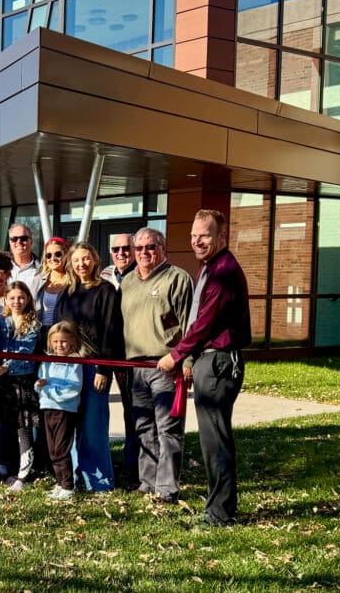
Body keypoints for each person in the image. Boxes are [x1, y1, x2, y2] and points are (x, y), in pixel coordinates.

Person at [158, 209, 251, 526]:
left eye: (205, 235)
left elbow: (206, 322)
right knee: (213, 440)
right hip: (208, 360)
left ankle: (220, 514)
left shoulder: (224, 272)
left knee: (215, 441)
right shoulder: (211, 267)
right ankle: (219, 509)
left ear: (222, 236)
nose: (197, 241)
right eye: (194, 235)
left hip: (220, 361)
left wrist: (177, 354)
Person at [121, 227, 194, 502]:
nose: (143, 253)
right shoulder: (128, 282)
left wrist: (186, 361)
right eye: (138, 248)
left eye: (149, 247)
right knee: (143, 427)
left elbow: (190, 325)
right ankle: (147, 481)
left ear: (162, 247)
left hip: (166, 365)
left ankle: (167, 488)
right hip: (135, 368)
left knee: (168, 429)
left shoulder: (177, 278)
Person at [55, 242, 123, 492]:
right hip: (69, 366)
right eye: (76, 260)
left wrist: (104, 368)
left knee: (93, 425)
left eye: (86, 259)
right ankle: (72, 477)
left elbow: (111, 330)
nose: (81, 264)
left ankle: (99, 481)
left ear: (94, 260)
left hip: (95, 365)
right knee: (69, 423)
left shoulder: (106, 290)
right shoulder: (68, 291)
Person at [0, 281, 44, 492]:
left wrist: (4, 367)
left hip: (24, 382)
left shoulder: (35, 326)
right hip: (3, 384)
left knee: (24, 427)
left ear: (28, 299)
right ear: (5, 300)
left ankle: (24, 473)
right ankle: (6, 466)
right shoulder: (0, 324)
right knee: (5, 425)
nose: (16, 302)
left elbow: (25, 354)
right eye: (12, 298)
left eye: (21, 297)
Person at [99, 233, 139, 485]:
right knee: (99, 411)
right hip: (105, 352)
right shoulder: (105, 275)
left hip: (129, 353)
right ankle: (103, 462)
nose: (121, 253)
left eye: (126, 248)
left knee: (132, 411)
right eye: (116, 249)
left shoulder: (141, 274)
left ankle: (133, 467)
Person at [35, 321, 83, 501]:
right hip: (47, 408)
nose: (59, 345)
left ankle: (68, 486)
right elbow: (41, 381)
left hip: (64, 410)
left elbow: (73, 389)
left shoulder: (75, 363)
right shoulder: (48, 360)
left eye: (63, 341)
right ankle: (60, 482)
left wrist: (49, 390)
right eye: (55, 342)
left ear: (71, 342)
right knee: (52, 449)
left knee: (62, 449)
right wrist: (39, 386)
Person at [36, 237, 70, 327]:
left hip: (62, 334)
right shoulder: (39, 281)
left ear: (66, 255)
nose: (53, 258)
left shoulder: (73, 282)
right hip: (40, 334)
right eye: (49, 255)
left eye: (58, 254)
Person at [7, 223, 42, 293]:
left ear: (31, 241)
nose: (19, 242)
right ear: (10, 242)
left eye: (23, 238)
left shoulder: (43, 269)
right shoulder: (1, 267)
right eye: (14, 239)